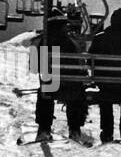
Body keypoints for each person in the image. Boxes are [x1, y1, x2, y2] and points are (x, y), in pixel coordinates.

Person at [32, 15, 88, 143]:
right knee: (77, 94)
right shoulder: (71, 43)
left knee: (44, 93)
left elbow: (35, 67)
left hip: (51, 86)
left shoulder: (44, 41)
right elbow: (80, 65)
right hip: (70, 87)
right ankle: (75, 129)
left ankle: (44, 129)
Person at [91, 8, 121, 145]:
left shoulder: (99, 38)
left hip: (105, 84)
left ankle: (107, 132)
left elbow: (90, 61)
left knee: (106, 97)